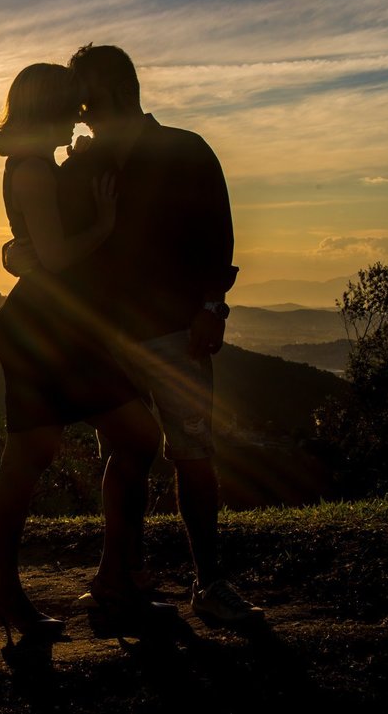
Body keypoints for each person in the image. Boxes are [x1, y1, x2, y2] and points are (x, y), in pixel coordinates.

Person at [62, 44, 264, 623]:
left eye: (85, 95)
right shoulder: (83, 165)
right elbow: (59, 245)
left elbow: (217, 235)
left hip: (178, 332)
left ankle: (209, 585)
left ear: (114, 91)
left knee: (193, 456)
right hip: (109, 340)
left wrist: (210, 307)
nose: (79, 110)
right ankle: (125, 578)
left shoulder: (185, 150)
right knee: (125, 458)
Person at [0, 63, 162, 643]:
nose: (78, 116)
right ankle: (14, 590)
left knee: (58, 451)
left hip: (55, 328)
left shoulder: (37, 164)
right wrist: (105, 224)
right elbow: (59, 260)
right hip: (43, 331)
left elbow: (36, 249)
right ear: (49, 109)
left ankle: (95, 581)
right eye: (71, 108)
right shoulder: (33, 169)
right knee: (41, 454)